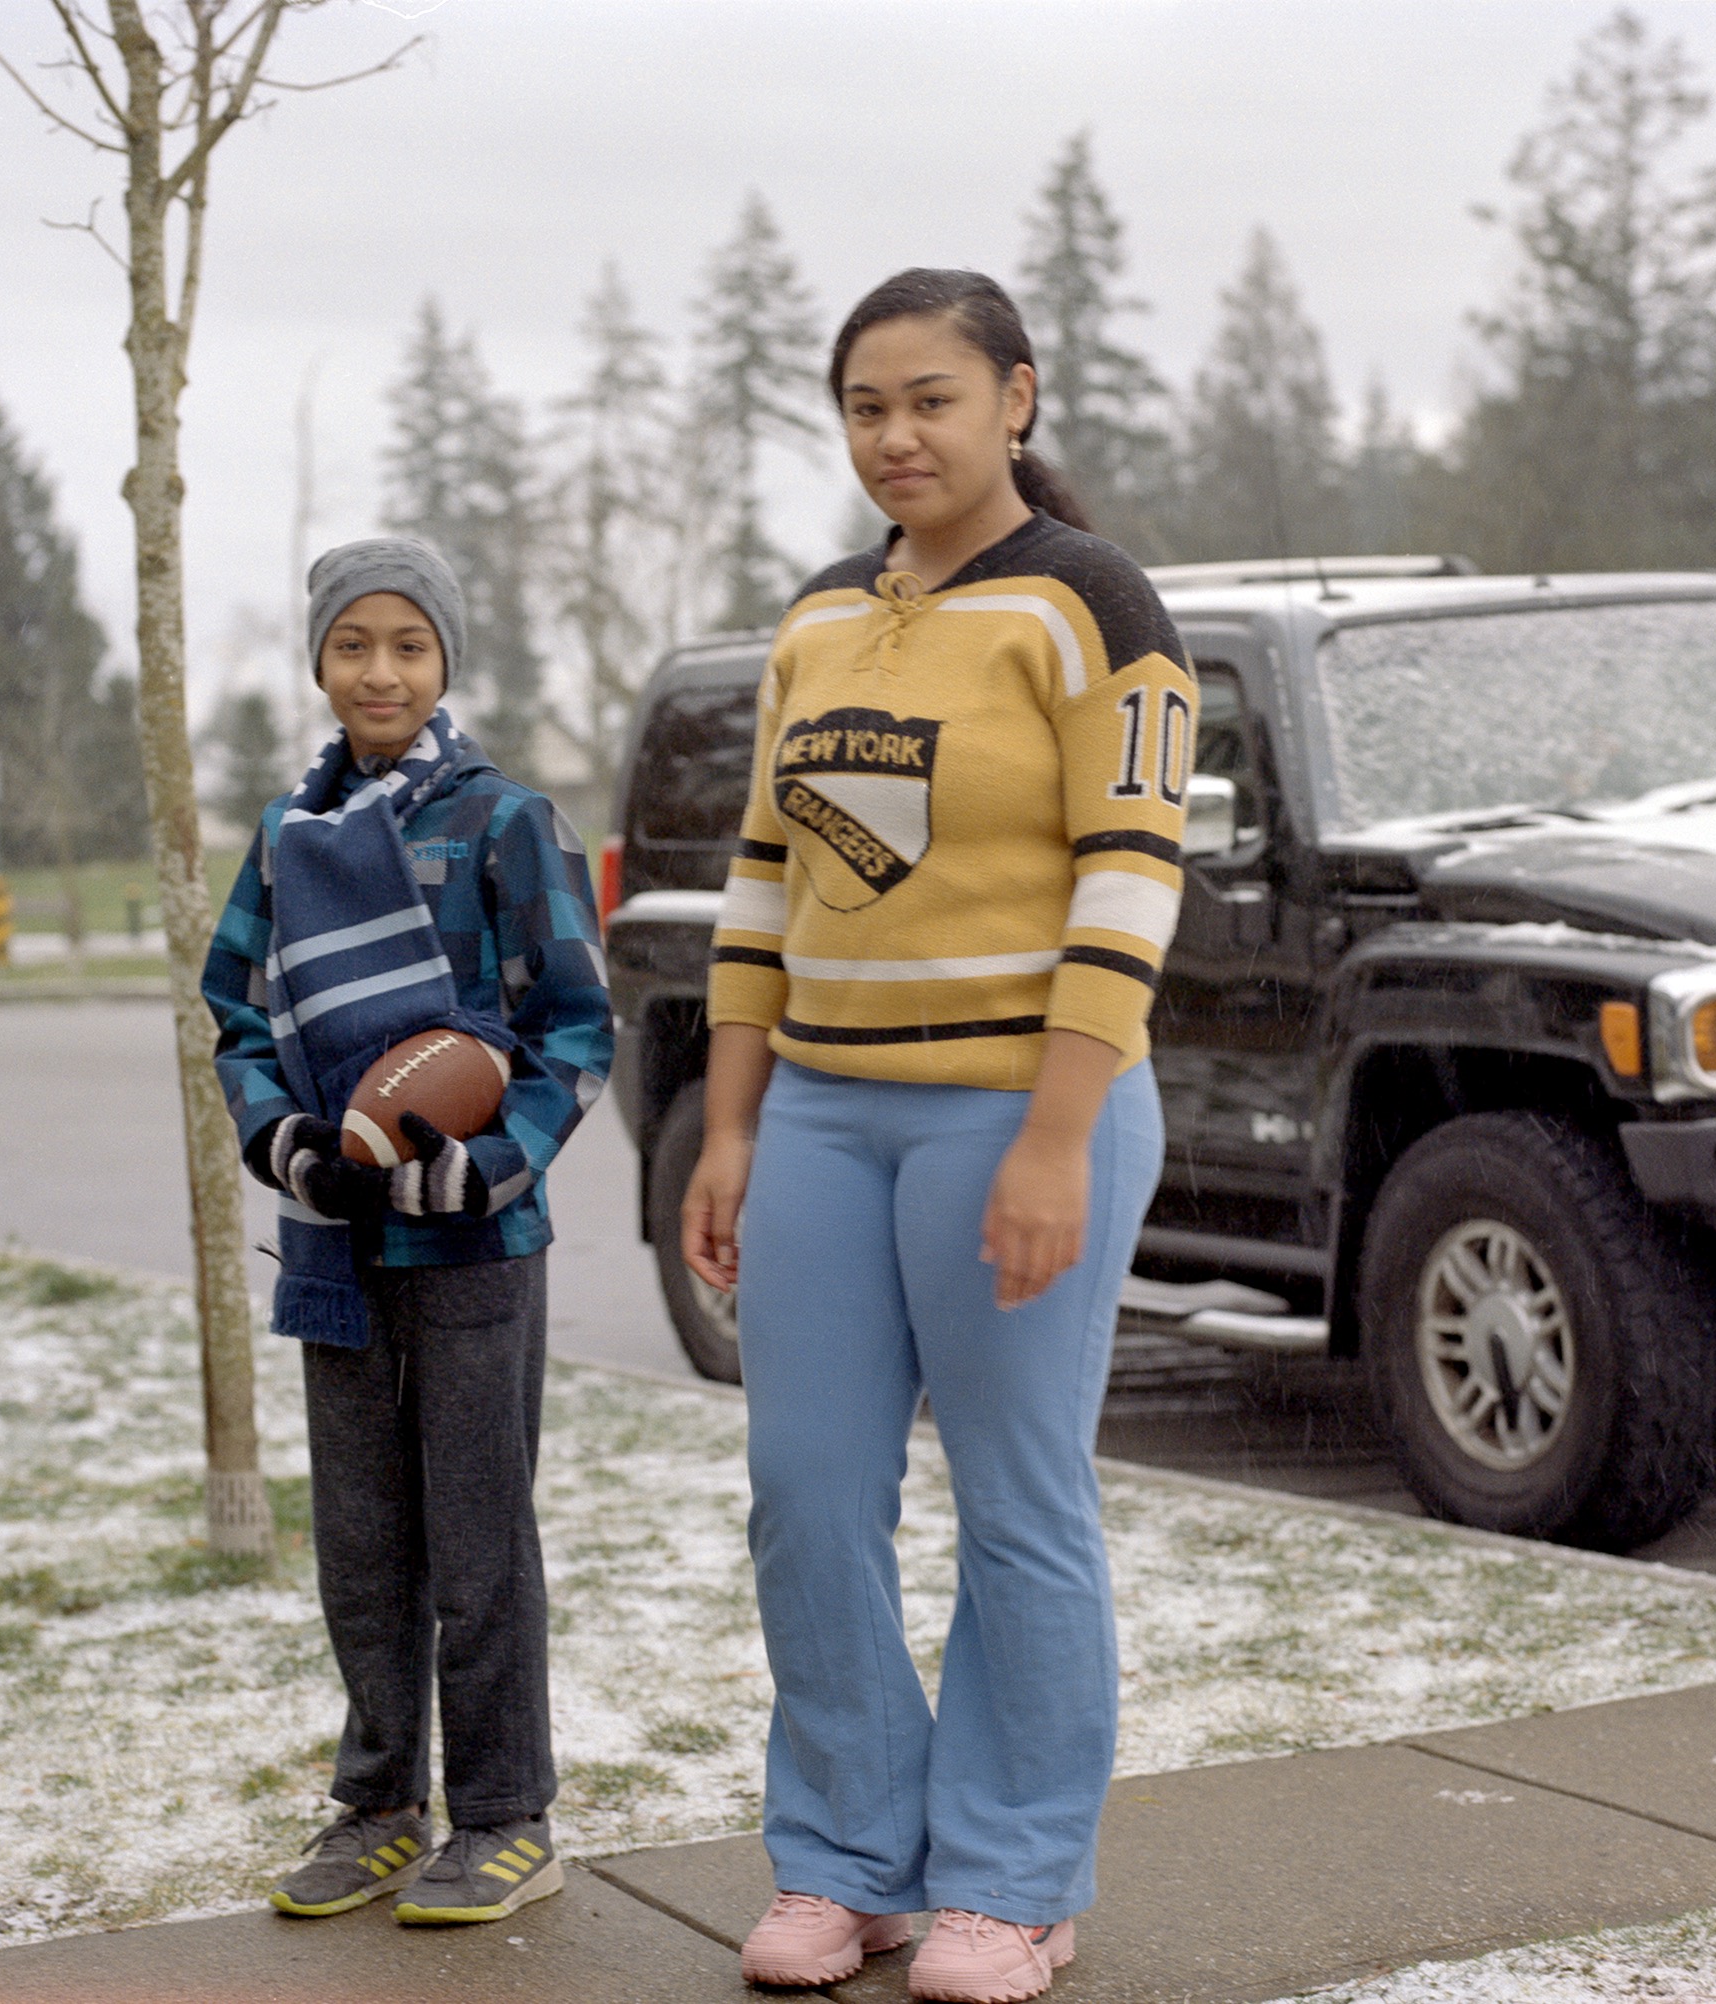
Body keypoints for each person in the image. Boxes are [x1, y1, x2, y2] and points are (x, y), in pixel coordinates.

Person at [682, 271, 1192, 2003]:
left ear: (1016, 401)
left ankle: (1011, 1879)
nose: (895, 435)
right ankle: (846, 1863)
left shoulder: (1087, 602)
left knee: (1013, 1499)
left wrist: (1058, 1137)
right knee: (805, 1496)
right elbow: (765, 882)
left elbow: (1131, 875)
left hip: (1017, 1106)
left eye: (932, 399)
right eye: (864, 406)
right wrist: (730, 1129)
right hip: (821, 1110)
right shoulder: (819, 621)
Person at [201, 536, 611, 1927]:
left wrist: (491, 1160)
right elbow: (240, 1013)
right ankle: (379, 1803)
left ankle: (506, 1815)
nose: (380, 669)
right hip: (336, 1242)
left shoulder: (506, 822)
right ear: (318, 661)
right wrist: (281, 1141)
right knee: (364, 1540)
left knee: (477, 1536)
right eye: (353, 644)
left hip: (474, 1249)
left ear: (446, 660)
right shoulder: (288, 835)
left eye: (409, 645)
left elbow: (573, 1026)